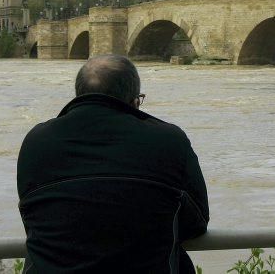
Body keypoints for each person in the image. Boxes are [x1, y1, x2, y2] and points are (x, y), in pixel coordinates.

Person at [17, 55, 208, 273]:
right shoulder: (169, 140)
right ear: (135, 100)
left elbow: (33, 220)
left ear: (79, 95)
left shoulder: (36, 142)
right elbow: (197, 223)